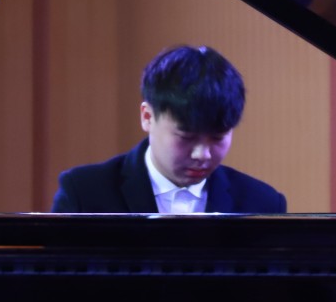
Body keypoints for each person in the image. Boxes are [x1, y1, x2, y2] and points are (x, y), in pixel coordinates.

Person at [51, 45, 287, 214]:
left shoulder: (262, 204)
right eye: (186, 137)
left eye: (217, 137)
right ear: (147, 117)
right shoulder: (84, 193)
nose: (202, 155)